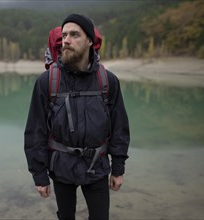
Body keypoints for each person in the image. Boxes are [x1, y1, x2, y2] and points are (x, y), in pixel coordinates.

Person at [24, 13, 130, 220]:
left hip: (97, 166)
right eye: (64, 35)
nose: (66, 40)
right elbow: (35, 131)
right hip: (61, 167)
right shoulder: (47, 81)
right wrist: (39, 174)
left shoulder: (107, 81)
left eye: (74, 35)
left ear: (90, 40)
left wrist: (118, 168)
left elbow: (119, 127)